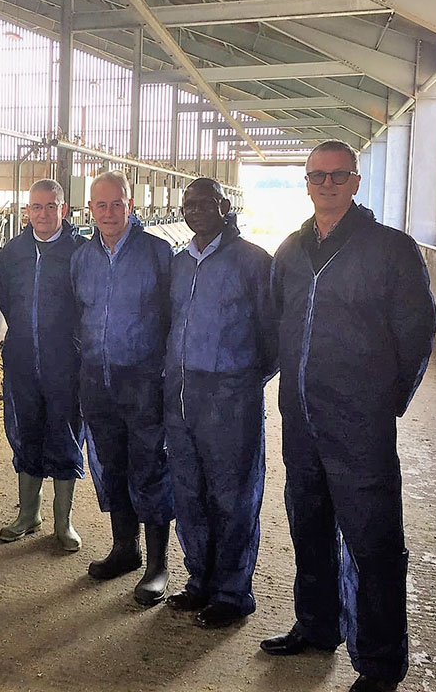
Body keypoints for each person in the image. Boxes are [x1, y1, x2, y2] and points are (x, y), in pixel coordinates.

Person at [263, 141, 436, 692]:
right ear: (307, 182)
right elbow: (276, 321)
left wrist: (384, 401)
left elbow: (417, 331)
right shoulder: (291, 250)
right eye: (318, 176)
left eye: (338, 176)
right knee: (308, 523)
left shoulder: (391, 249)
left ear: (356, 181)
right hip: (302, 417)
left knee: (374, 541)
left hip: (359, 421)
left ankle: (381, 663)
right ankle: (317, 626)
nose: (328, 184)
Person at [163, 177, 277, 629]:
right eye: (189, 204)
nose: (195, 210)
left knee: (232, 496)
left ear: (224, 206)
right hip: (182, 396)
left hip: (231, 400)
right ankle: (200, 583)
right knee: (189, 493)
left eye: (205, 202)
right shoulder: (178, 264)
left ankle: (233, 593)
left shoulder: (253, 262)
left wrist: (242, 379)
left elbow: (272, 337)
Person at [71, 169, 175, 606]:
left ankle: (157, 564)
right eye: (101, 205)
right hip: (97, 376)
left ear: (131, 205)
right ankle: (125, 549)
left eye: (117, 204)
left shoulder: (158, 252)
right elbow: (77, 311)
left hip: (144, 378)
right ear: (89, 208)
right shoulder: (82, 256)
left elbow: (174, 315)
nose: (109, 212)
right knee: (111, 463)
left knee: (149, 464)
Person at [0, 179, 88, 552]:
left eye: (51, 206)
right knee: (26, 429)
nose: (43, 214)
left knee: (65, 431)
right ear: (26, 211)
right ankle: (28, 514)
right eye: (36, 207)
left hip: (66, 358)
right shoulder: (13, 252)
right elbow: (2, 299)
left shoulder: (80, 251)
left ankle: (63, 522)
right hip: (21, 356)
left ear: (64, 209)